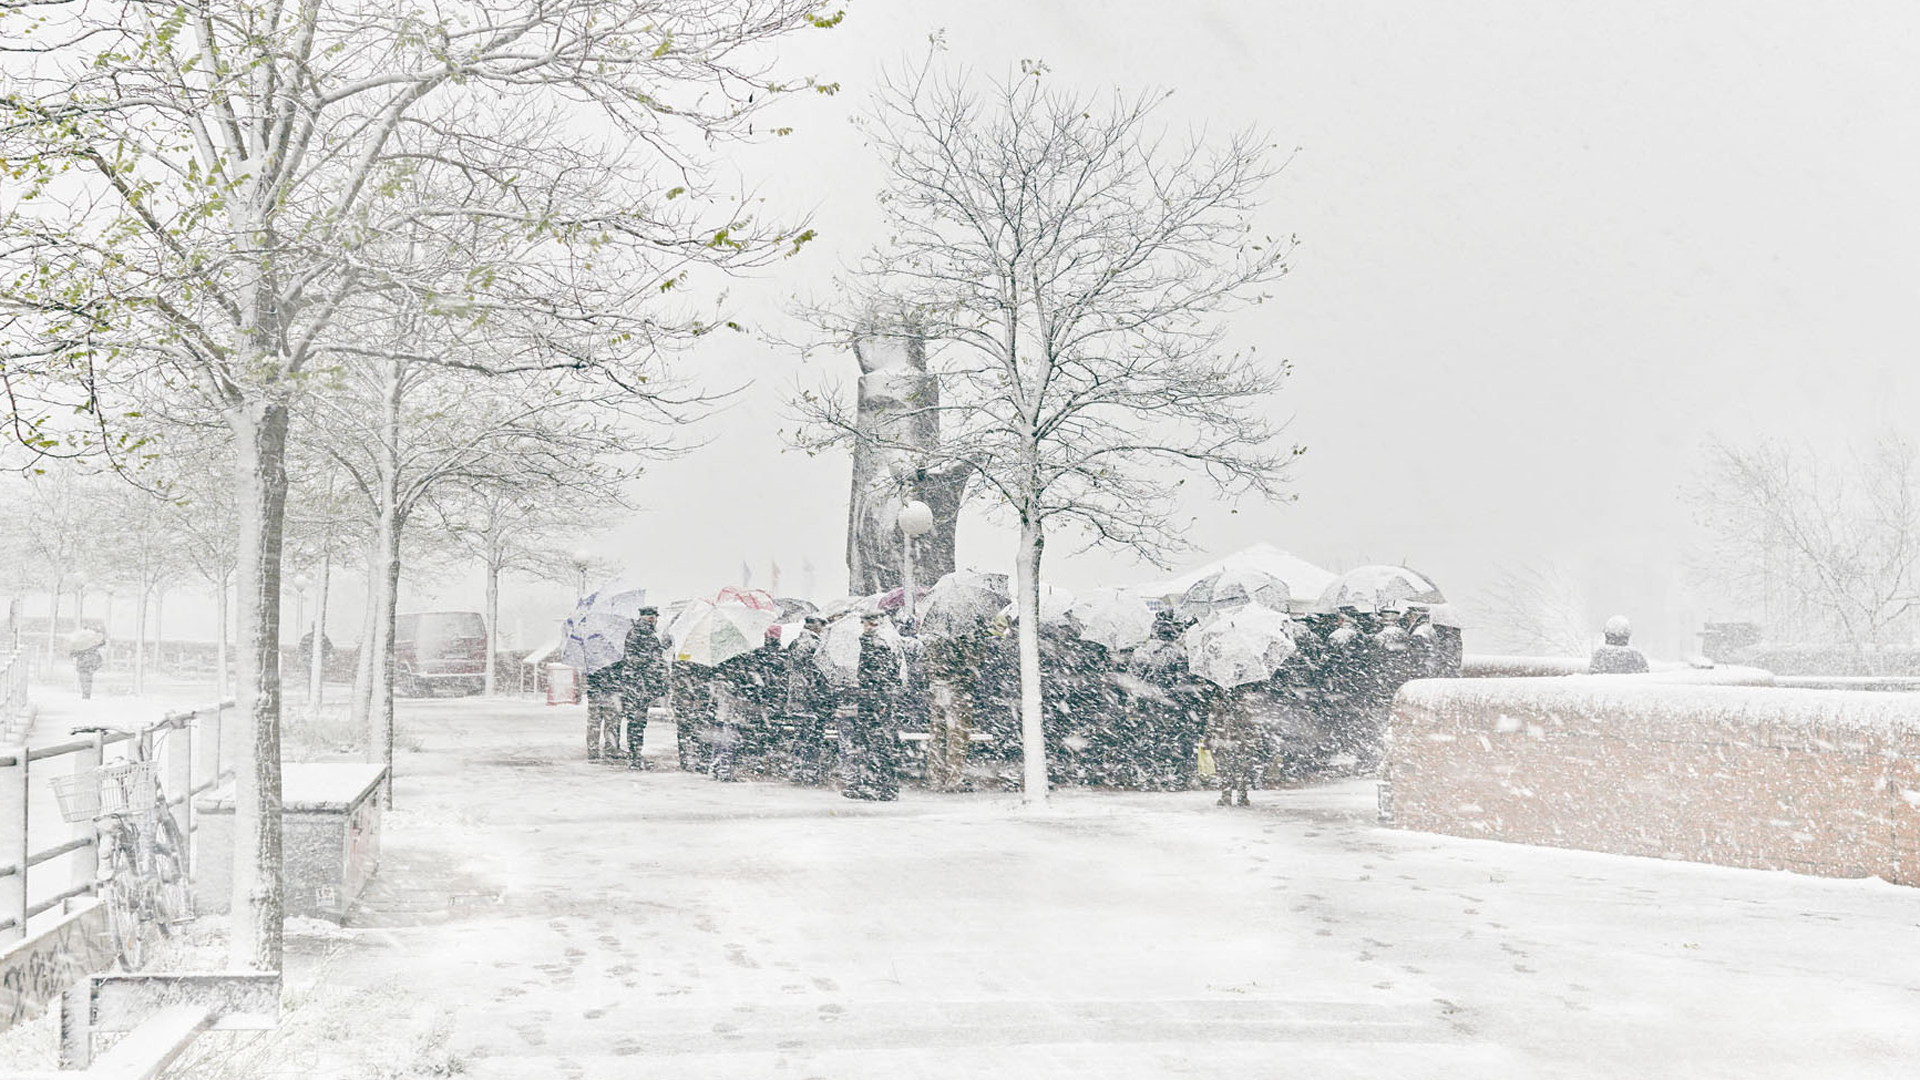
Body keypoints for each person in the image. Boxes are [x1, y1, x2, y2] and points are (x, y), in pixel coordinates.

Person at [843, 609, 902, 801]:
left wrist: (874, 695)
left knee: (876, 742)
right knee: (874, 741)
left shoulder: (875, 645)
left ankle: (879, 785)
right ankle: (879, 784)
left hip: (874, 700)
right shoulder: (883, 644)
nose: (865, 627)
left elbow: (878, 676)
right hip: (876, 699)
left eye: (867, 623)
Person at [784, 614, 834, 785]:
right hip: (811, 698)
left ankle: (797, 769)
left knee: (801, 735)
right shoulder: (815, 645)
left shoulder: (795, 643)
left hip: (797, 696)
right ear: (814, 626)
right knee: (813, 737)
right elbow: (821, 673)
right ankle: (809, 771)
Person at [618, 607, 667, 770]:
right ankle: (634, 757)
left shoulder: (651, 635)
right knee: (636, 721)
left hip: (643, 685)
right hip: (636, 685)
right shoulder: (636, 633)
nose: (653, 619)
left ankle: (636, 755)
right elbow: (631, 659)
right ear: (643, 618)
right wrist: (650, 659)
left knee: (639, 722)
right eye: (650, 617)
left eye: (654, 617)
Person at [1206, 684, 1260, 806]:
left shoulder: (1218, 706)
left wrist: (1208, 738)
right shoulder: (1243, 705)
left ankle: (1227, 796)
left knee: (1226, 769)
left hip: (1224, 740)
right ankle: (1242, 796)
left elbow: (1212, 723)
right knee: (1241, 769)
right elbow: (1251, 724)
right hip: (1238, 741)